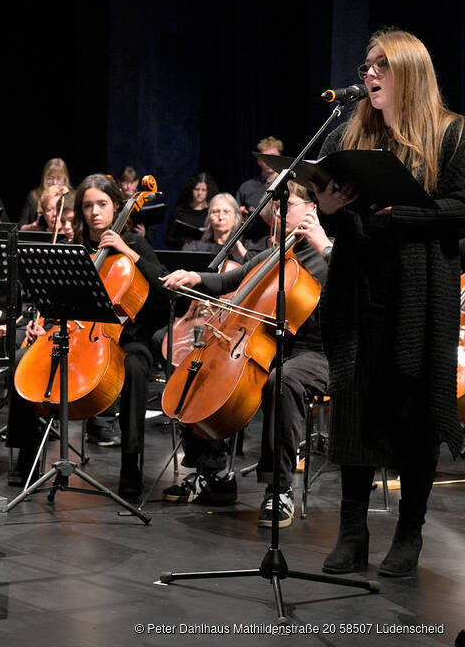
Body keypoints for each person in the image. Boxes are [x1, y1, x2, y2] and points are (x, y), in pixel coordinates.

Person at [314, 29, 465, 578]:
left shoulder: (451, 135)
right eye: (366, 66)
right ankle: (352, 532)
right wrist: (328, 208)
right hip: (361, 291)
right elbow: (336, 209)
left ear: (409, 73)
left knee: (412, 416)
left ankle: (409, 533)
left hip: (420, 296)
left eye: (382, 66)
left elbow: (460, 206)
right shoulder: (348, 136)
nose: (369, 75)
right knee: (355, 408)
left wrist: (400, 213)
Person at [160, 180, 332, 526]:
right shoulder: (277, 253)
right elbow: (231, 281)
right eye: (276, 208)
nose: (278, 213)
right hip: (271, 346)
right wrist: (194, 277)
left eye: (288, 206)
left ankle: (278, 489)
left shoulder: (332, 252)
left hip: (319, 351)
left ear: (312, 209)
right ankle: (213, 475)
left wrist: (324, 246)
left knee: (281, 383)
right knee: (202, 368)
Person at [7, 174, 166, 496]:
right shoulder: (74, 249)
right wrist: (45, 324)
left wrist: (128, 251)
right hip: (78, 335)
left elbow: (164, 290)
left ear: (117, 207)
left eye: (102, 205)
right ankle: (27, 458)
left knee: (135, 369)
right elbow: (55, 299)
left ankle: (130, 464)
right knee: (23, 359)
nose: (95, 212)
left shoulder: (135, 245)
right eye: (88, 206)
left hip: (127, 338)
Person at [236, 136, 283, 243]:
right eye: (265, 157)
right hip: (252, 242)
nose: (269, 160)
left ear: (280, 157)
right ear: (259, 161)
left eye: (273, 156)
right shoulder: (246, 187)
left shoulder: (290, 185)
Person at [181, 192, 248, 262]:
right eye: (216, 212)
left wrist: (245, 254)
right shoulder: (194, 247)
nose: (221, 217)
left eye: (226, 212)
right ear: (209, 216)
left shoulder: (246, 247)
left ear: (235, 216)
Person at [165, 172, 217, 249]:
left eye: (203, 190)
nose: (199, 193)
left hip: (207, 253)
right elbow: (168, 240)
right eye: (197, 189)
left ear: (208, 191)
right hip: (184, 254)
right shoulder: (180, 211)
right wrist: (183, 241)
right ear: (191, 189)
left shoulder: (212, 212)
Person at [18, 157, 71, 226]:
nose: (54, 182)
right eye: (50, 178)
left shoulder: (71, 197)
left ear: (65, 179)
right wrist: (29, 228)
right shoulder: (34, 196)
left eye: (58, 178)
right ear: (44, 178)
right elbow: (21, 225)